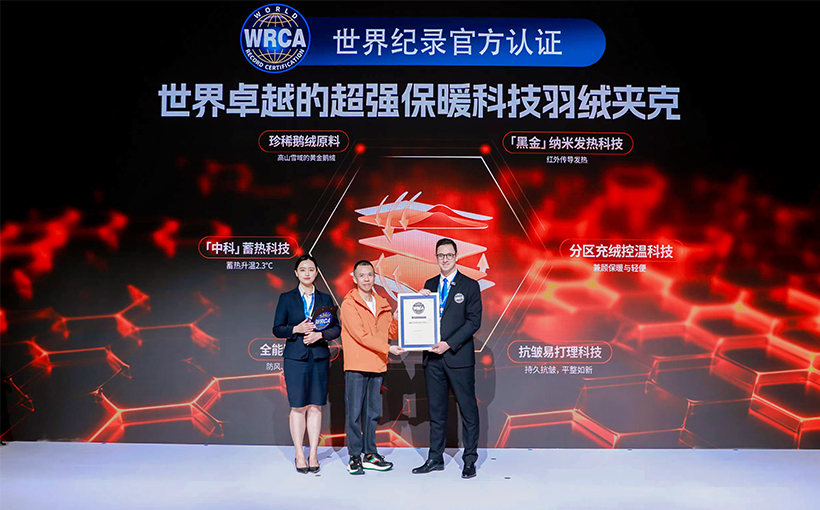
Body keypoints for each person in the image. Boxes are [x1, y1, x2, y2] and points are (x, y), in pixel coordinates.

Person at [412, 238, 482, 479]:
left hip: (458, 356)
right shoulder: (429, 284)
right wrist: (418, 300)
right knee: (436, 410)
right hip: (433, 358)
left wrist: (449, 344)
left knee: (468, 410)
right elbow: (420, 317)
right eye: (440, 255)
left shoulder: (470, 285)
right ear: (436, 257)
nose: (445, 259)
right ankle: (435, 458)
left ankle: (470, 460)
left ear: (456, 256)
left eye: (449, 255)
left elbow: (474, 321)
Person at [272, 254, 340, 474]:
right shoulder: (287, 298)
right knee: (298, 406)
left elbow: (336, 328)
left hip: (319, 357)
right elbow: (277, 329)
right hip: (295, 358)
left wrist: (320, 335)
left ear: (316, 272)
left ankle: (313, 454)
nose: (307, 273)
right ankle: (299, 454)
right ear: (296, 273)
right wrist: (296, 329)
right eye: (303, 269)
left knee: (315, 406)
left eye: (311, 269)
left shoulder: (325, 298)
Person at [340, 260, 405, 475]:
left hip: (377, 363)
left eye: (370, 275)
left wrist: (398, 316)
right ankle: (354, 456)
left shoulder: (382, 302)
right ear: (354, 278)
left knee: (372, 413)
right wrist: (388, 348)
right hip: (357, 364)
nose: (366, 279)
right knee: (354, 413)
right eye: (362, 275)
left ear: (374, 277)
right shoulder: (349, 304)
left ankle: (369, 454)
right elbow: (361, 336)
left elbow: (391, 332)